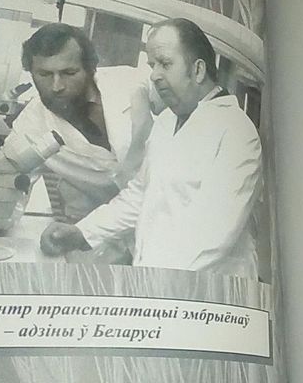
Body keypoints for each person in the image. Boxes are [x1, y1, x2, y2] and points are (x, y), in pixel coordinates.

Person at [40, 18, 263, 279]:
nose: (155, 75)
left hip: (206, 285)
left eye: (165, 64)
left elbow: (213, 236)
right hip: (155, 277)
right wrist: (83, 232)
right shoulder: (167, 121)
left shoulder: (235, 131)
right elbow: (140, 194)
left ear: (198, 70)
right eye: (152, 65)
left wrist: (152, 281)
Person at [5, 22, 154, 223]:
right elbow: (6, 182)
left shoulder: (132, 82)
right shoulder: (30, 125)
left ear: (90, 68)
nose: (57, 86)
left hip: (174, 213)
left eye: (69, 73)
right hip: (102, 228)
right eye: (44, 75)